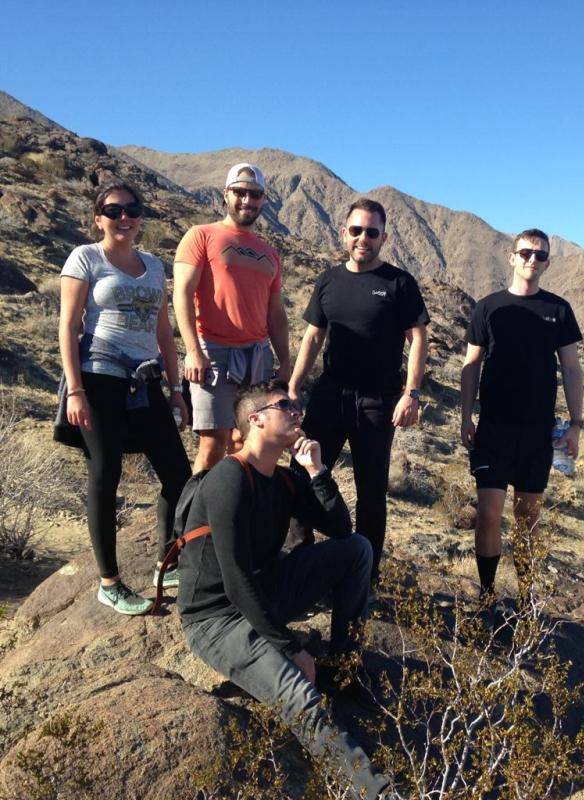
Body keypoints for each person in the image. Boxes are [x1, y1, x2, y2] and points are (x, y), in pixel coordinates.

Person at [178, 381, 389, 799]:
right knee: (300, 696)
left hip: (263, 589)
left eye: (297, 405)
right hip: (215, 618)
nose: (297, 411)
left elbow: (341, 529)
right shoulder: (229, 479)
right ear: (255, 420)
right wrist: (290, 646)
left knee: (358, 550)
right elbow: (235, 580)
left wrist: (316, 470)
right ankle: (373, 791)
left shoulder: (283, 479)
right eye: (285, 406)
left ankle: (345, 668)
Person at [58, 180, 191, 615]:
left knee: (177, 472)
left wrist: (176, 392)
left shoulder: (153, 266)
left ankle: (165, 563)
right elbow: (68, 326)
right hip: (99, 378)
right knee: (106, 472)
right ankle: (109, 582)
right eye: (113, 211)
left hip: (146, 378)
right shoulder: (85, 259)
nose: (124, 218)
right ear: (98, 218)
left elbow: (162, 333)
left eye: (132, 210)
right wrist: (75, 390)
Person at [288, 198, 429, 585]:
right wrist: (294, 386)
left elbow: (418, 339)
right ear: (343, 233)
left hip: (378, 402)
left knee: (371, 492)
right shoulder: (329, 280)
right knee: (302, 476)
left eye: (371, 232)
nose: (363, 238)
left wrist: (411, 392)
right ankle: (300, 561)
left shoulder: (400, 283)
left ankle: (364, 578)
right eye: (356, 230)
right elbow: (313, 336)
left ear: (384, 237)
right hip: (330, 395)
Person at [460, 228, 584, 599]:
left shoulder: (558, 310)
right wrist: (466, 416)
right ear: (512, 256)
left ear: (547, 262)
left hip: (537, 432)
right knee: (489, 515)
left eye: (541, 255)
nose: (533, 259)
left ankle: (526, 599)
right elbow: (471, 365)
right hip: (494, 428)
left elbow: (572, 369)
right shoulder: (488, 307)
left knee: (527, 521)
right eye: (526, 253)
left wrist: (576, 424)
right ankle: (487, 596)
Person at [173, 163, 290, 473]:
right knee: (212, 445)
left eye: (255, 195)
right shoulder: (201, 236)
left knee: (247, 444)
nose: (246, 201)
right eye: (239, 192)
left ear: (264, 200)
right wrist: (193, 351)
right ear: (226, 194)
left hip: (257, 357)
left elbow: (275, 313)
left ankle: (238, 515)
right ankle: (195, 518)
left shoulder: (269, 253)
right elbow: (182, 294)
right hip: (213, 354)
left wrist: (285, 362)